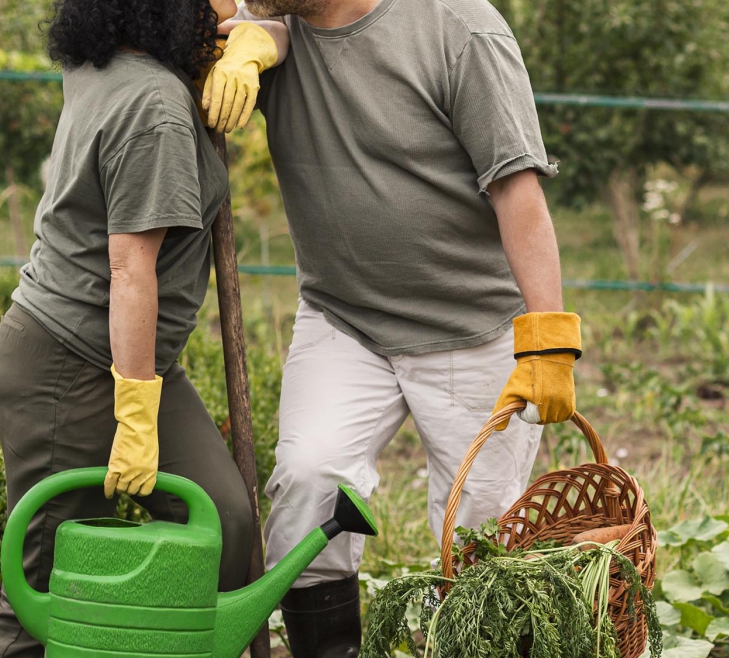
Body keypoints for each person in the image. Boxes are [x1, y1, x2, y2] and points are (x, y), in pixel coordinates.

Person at [225, 0, 583, 654]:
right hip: (345, 320)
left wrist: (548, 337)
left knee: (481, 534)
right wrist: (249, 40)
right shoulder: (273, 39)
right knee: (308, 481)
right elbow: (193, 29)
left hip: (470, 327)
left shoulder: (458, 27)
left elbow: (517, 191)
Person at [0, 1, 286, 655]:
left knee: (226, 518)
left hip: (129, 359)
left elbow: (287, 26)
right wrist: (136, 414)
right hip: (70, 365)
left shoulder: (104, 62)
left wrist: (254, 45)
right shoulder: (155, 107)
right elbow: (131, 269)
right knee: (38, 590)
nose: (235, 4)